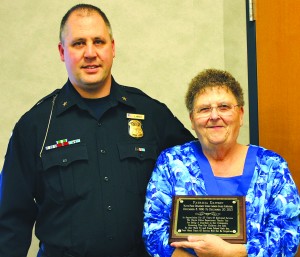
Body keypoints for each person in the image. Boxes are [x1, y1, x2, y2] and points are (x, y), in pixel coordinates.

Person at [0, 4, 195, 257]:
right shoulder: (36, 126)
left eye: (98, 42)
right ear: (62, 51)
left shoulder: (151, 114)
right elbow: (11, 221)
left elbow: (196, 175)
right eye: (78, 43)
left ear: (112, 48)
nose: (90, 53)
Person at [143, 68, 300, 257]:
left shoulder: (272, 166)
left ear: (241, 114)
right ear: (192, 120)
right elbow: (153, 230)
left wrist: (228, 253)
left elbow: (288, 236)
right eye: (204, 109)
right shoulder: (172, 163)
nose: (215, 116)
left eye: (224, 107)